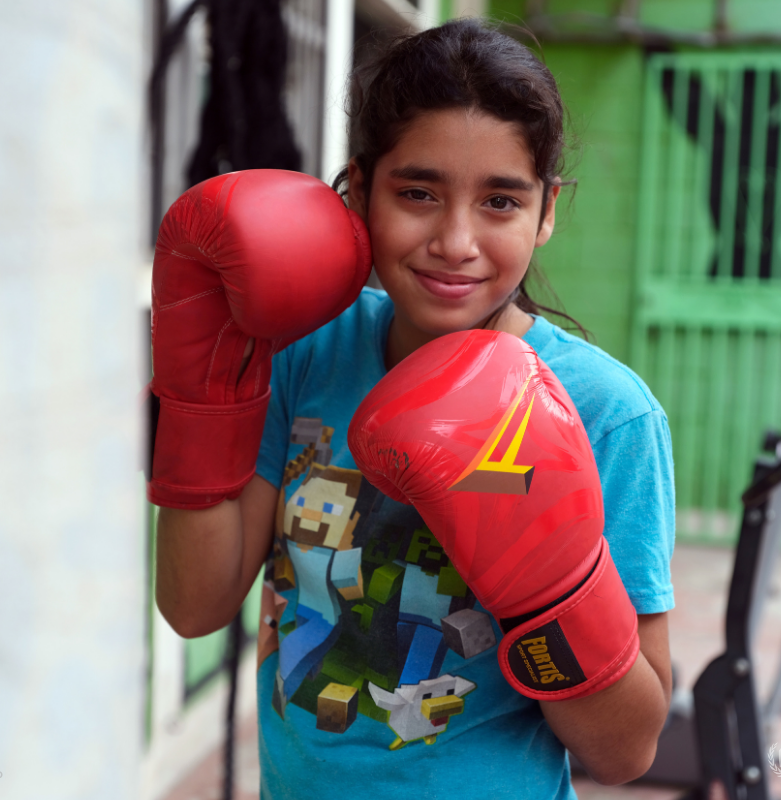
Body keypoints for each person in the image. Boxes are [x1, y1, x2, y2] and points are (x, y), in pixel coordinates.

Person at [153, 18, 675, 800]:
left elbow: (627, 751)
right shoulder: (306, 356)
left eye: (501, 200)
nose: (456, 240)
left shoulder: (605, 413)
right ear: (360, 190)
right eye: (419, 193)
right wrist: (205, 393)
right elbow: (194, 608)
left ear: (547, 212)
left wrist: (549, 591)